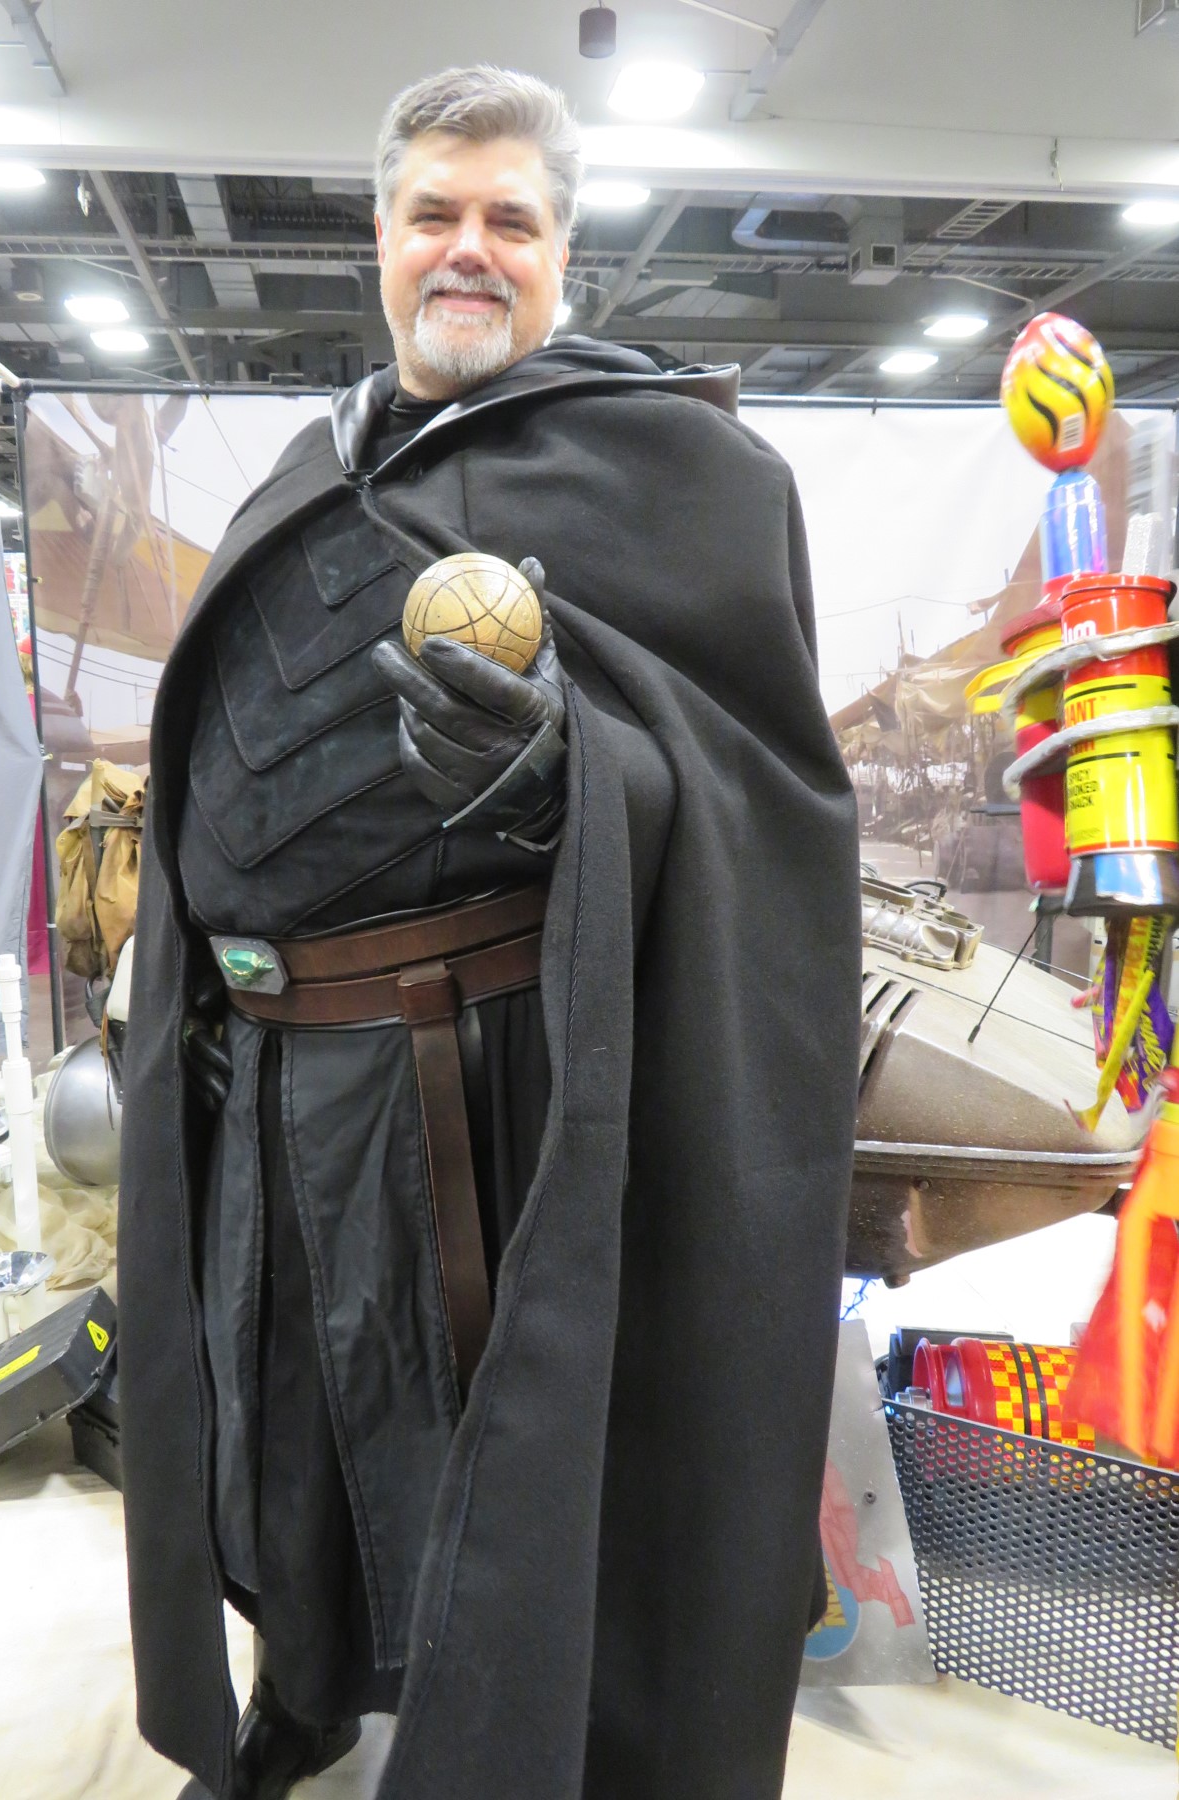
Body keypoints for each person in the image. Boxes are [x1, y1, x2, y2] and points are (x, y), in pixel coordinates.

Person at [118, 64, 860, 1800]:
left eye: (507, 221)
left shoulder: (673, 466)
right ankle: (308, 1681)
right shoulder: (315, 458)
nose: (468, 248)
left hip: (488, 1080)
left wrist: (565, 777)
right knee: (286, 1423)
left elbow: (764, 798)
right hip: (272, 1071)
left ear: (561, 253)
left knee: (471, 1446)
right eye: (433, 213)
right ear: (379, 239)